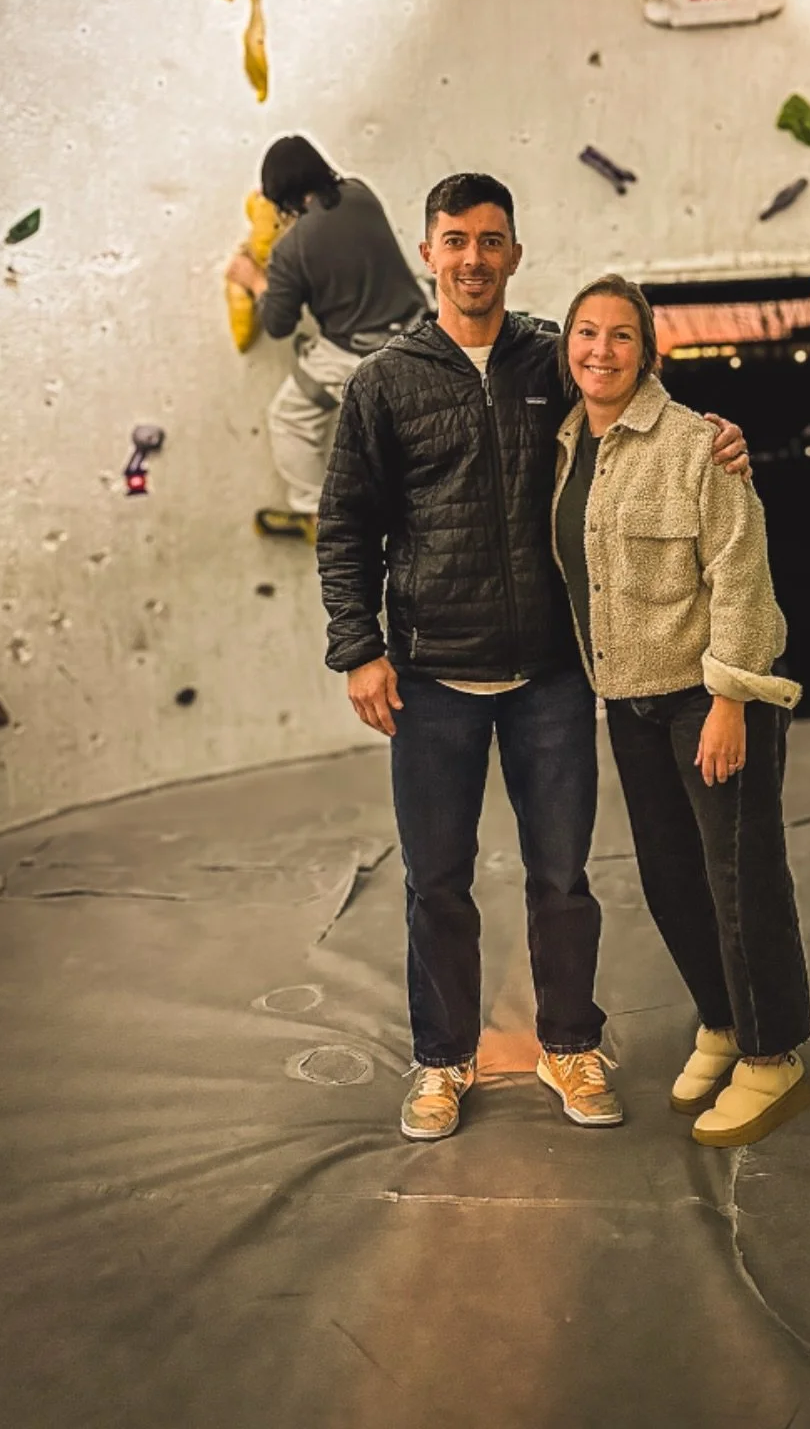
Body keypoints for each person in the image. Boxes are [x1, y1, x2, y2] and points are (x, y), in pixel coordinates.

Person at [314, 175, 749, 1142]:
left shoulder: (558, 355)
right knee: (437, 883)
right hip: (430, 680)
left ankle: (567, 1044)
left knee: (563, 879)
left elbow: (647, 406)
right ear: (428, 253)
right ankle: (441, 1061)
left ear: (516, 252)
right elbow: (344, 525)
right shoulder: (385, 382)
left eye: (492, 240)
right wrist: (359, 649)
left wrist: (720, 438)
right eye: (454, 239)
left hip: (551, 675)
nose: (473, 257)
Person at [552, 274, 810, 1148]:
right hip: (628, 700)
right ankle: (722, 1023)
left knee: (740, 877)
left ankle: (774, 1057)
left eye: (621, 335)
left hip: (709, 698)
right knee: (671, 879)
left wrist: (730, 698)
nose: (601, 349)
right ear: (567, 348)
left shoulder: (699, 445)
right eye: (585, 333)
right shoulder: (564, 445)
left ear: (648, 350)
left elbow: (740, 575)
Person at [225, 135, 427, 542]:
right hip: (420, 327)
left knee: (290, 419)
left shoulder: (291, 252)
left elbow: (278, 324)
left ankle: (319, 516)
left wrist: (257, 279)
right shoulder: (359, 193)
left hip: (362, 356)